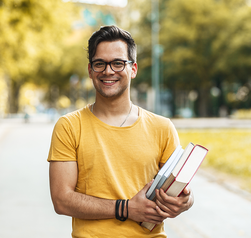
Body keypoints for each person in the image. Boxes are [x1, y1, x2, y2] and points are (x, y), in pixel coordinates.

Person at [47, 25, 194, 238]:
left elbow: (181, 193)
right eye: (100, 64)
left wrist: (184, 202)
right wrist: (125, 209)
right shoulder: (69, 126)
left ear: (133, 69)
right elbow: (61, 200)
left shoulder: (163, 128)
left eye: (118, 63)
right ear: (90, 70)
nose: (108, 71)